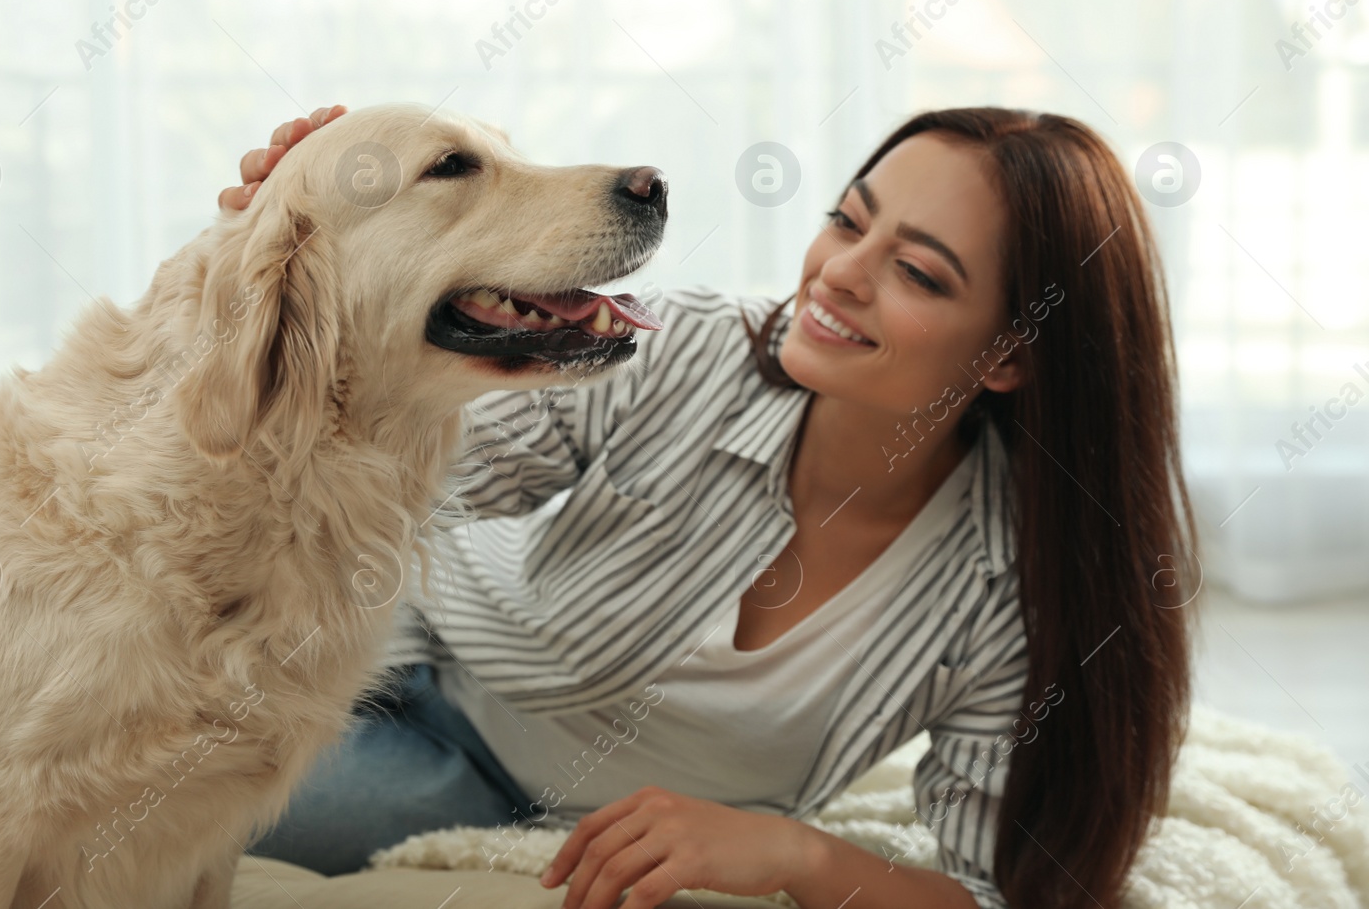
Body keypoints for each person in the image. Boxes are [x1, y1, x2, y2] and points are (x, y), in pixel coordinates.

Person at [222, 105, 1200, 909]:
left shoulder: (1009, 590)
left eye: (917, 272)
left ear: (1009, 352)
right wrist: (308, 249)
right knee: (141, 794)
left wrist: (799, 855)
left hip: (526, 811)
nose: (840, 273)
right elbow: (387, 478)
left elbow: (994, 891)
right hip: (395, 674)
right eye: (848, 220)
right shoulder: (681, 347)